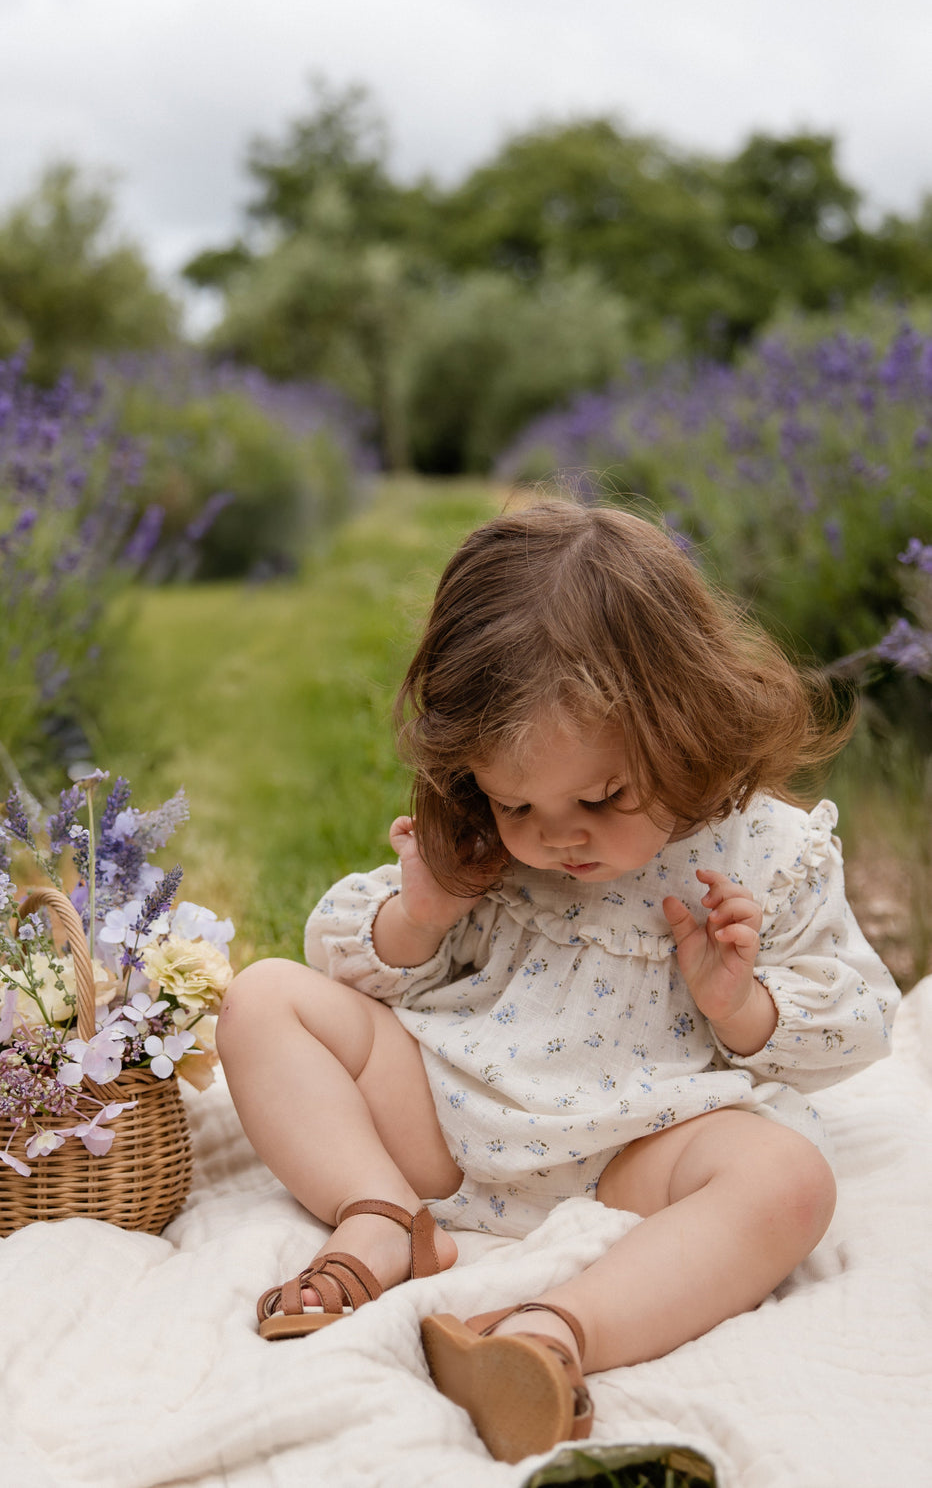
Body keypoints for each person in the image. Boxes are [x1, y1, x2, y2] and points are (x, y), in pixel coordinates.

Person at [216, 499, 899, 1464]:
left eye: (602, 797)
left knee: (786, 1180)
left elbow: (867, 1019)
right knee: (263, 998)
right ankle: (378, 1218)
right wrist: (424, 912)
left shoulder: (764, 852)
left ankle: (548, 1333)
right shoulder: (484, 844)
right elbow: (342, 958)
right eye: (515, 802)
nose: (556, 836)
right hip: (449, 1123)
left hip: (642, 1152)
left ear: (686, 725)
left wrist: (741, 1004)